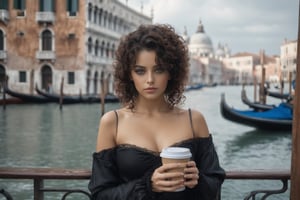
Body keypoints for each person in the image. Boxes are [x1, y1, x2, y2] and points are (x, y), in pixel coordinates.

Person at [88, 24, 225, 200]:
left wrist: (197, 180)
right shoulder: (112, 122)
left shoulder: (194, 120)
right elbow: (100, 195)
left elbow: (215, 188)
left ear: (171, 72)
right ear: (129, 74)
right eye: (140, 71)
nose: (150, 80)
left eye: (159, 70)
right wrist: (148, 186)